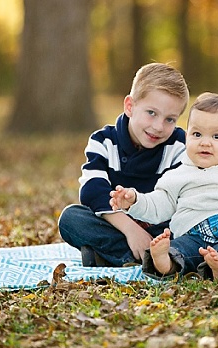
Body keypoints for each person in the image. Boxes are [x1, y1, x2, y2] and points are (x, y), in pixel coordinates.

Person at [109, 92, 218, 280]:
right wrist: (135, 200)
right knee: (179, 248)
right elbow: (158, 205)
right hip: (192, 233)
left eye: (217, 136)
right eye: (197, 134)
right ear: (187, 137)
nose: (205, 142)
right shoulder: (177, 175)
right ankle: (165, 263)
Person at [58, 63, 189, 267]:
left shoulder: (179, 145)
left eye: (170, 119)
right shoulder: (103, 141)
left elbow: (178, 197)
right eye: (151, 113)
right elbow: (92, 191)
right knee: (71, 219)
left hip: (161, 227)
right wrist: (130, 229)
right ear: (130, 106)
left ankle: (118, 256)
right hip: (117, 224)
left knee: (190, 224)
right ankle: (140, 256)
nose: (158, 127)